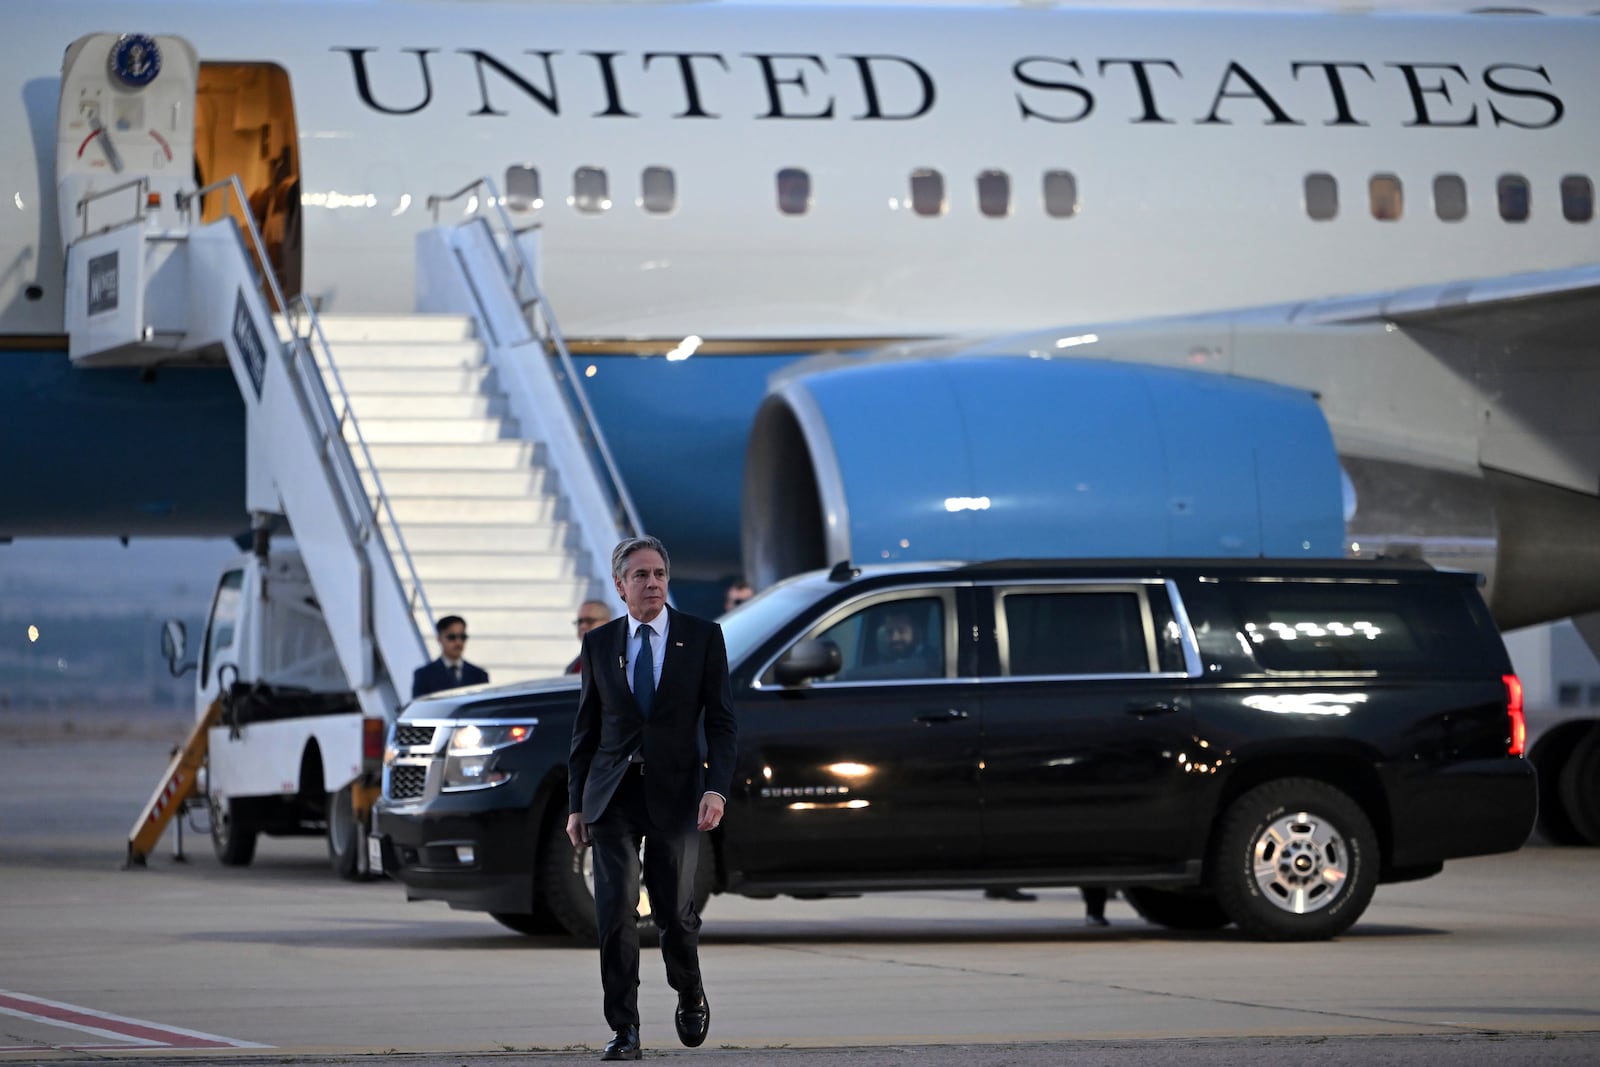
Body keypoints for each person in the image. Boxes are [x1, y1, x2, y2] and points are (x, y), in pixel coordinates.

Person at [566, 536, 738, 1061]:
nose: (653, 583)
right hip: (613, 793)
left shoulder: (703, 638)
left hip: (677, 793)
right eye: (640, 575)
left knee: (674, 913)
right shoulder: (599, 645)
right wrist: (577, 804)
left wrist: (716, 788)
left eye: (660, 573)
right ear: (621, 587)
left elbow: (724, 724)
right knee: (615, 910)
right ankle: (625, 1029)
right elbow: (586, 731)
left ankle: (689, 988)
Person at [411, 615, 488, 699]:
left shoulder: (479, 675)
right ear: (440, 639)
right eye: (452, 637)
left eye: (462, 637)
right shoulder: (424, 675)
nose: (458, 642)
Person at [568, 599, 613, 674]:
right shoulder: (573, 666)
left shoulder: (619, 658)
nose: (583, 626)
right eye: (580, 621)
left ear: (607, 623)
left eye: (589, 621)